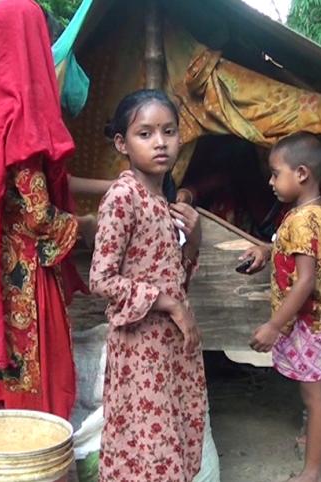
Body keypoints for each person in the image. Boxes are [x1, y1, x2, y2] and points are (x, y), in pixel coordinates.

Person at [0, 0, 100, 420]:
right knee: (34, 401)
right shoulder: (19, 121)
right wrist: (85, 225)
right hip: (23, 280)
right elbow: (39, 217)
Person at [89, 89, 207, 482]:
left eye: (169, 131)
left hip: (171, 348)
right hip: (141, 349)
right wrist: (168, 304)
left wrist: (193, 242)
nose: (160, 142)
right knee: (148, 451)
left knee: (174, 437)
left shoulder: (162, 200)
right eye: (145, 133)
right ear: (122, 143)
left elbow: (171, 276)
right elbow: (101, 278)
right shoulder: (124, 197)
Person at [244, 132, 321, 482]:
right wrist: (267, 249)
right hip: (318, 315)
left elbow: (305, 280)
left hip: (306, 322)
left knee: (312, 395)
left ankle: (312, 471)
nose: (270, 182)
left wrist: (274, 326)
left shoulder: (302, 221)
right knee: (317, 379)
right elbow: (302, 252)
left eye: (275, 174)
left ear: (301, 173)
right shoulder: (318, 210)